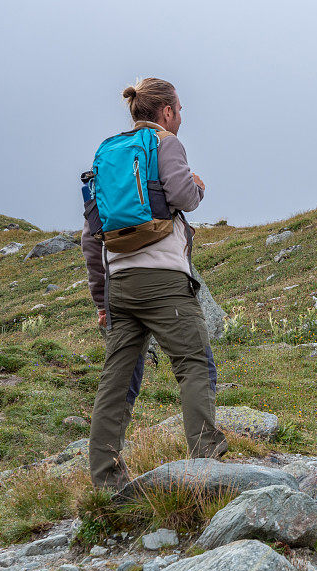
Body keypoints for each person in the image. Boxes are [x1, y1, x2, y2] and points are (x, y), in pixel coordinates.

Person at [82, 77, 227, 490]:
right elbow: (183, 195)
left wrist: (102, 300)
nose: (180, 116)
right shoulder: (166, 143)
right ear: (166, 112)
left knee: (116, 379)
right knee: (194, 363)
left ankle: (106, 481)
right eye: (178, 109)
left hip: (120, 283)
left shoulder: (109, 154)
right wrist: (198, 186)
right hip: (163, 281)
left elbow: (91, 236)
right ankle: (207, 462)